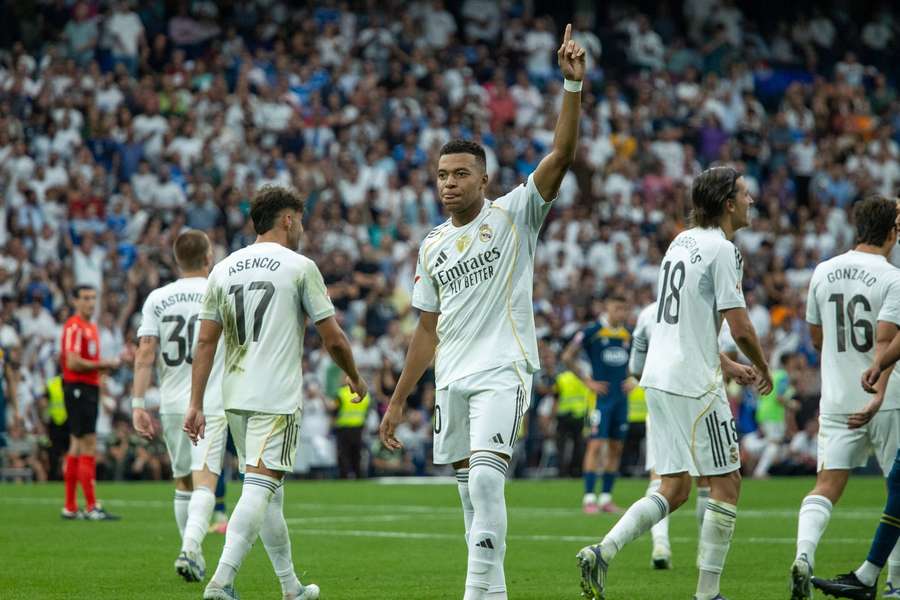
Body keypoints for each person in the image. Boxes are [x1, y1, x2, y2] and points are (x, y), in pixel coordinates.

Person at [379, 23, 585, 600]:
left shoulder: (515, 215)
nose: (449, 183)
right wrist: (398, 402)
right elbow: (426, 328)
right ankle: (493, 593)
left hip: (503, 369)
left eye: (460, 173)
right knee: (470, 496)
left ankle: (478, 595)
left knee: (491, 482)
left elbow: (562, 154)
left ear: (483, 179)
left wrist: (571, 89)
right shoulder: (432, 245)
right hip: (452, 381)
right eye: (443, 174)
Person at [577, 166, 773, 600]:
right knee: (727, 482)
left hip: (660, 379)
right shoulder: (724, 251)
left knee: (674, 486)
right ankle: (708, 593)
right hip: (695, 384)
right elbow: (740, 327)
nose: (751, 200)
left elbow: (683, 327)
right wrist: (761, 365)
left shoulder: (679, 244)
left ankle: (602, 550)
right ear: (727, 203)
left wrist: (728, 364)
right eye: (744, 194)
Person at [183, 185, 368, 600]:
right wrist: (354, 376)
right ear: (288, 219)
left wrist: (195, 403)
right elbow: (333, 338)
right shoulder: (299, 267)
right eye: (299, 220)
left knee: (270, 495)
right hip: (276, 396)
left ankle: (290, 586)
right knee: (259, 487)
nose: (300, 228)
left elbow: (206, 342)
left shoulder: (223, 269)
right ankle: (221, 580)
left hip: (234, 396)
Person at [789, 196, 900, 600]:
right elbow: (885, 341)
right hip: (886, 398)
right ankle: (893, 582)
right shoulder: (892, 277)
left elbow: (816, 338)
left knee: (826, 484)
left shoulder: (823, 270)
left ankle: (803, 555)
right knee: (898, 491)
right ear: (893, 232)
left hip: (836, 396)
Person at [130, 229, 227, 582]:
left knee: (182, 482)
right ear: (207, 258)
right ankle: (190, 549)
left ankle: (192, 553)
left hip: (171, 403)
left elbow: (145, 354)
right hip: (209, 401)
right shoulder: (218, 290)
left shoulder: (158, 298)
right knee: (206, 483)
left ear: (176, 259)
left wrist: (138, 403)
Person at [563, 292, 632, 514]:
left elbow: (644, 357)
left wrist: (635, 378)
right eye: (617, 308)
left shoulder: (628, 334)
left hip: (621, 399)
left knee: (616, 446)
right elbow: (567, 356)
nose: (621, 313)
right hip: (599, 400)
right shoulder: (591, 331)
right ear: (606, 307)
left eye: (624, 309)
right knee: (595, 445)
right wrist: (587, 381)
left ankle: (606, 498)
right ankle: (589, 498)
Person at [60, 285, 121, 520]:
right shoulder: (75, 326)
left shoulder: (90, 327)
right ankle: (91, 506)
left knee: (77, 444)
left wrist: (102, 368)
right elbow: (73, 362)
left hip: (87, 388)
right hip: (79, 388)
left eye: (93, 298)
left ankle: (71, 506)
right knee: (87, 444)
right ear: (75, 301)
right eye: (85, 298)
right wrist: (104, 364)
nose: (90, 303)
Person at [332, 384, 371, 479]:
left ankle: (344, 475)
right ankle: (358, 475)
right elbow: (367, 411)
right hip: (359, 427)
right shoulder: (366, 394)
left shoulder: (341, 393)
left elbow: (335, 409)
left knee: (343, 453)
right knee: (357, 453)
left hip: (343, 427)